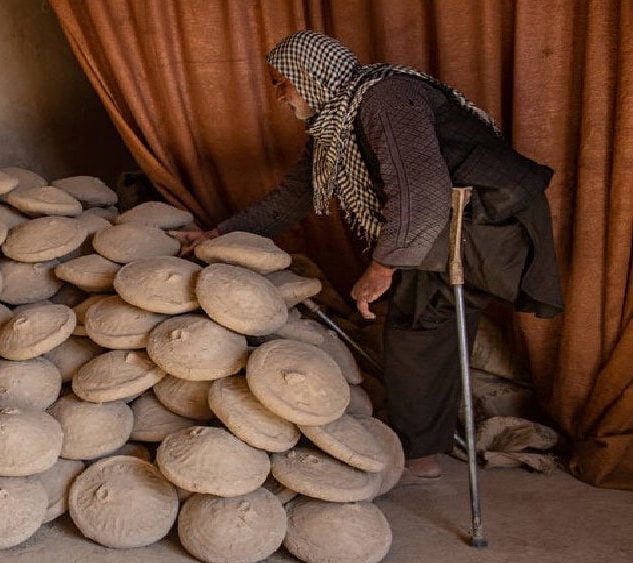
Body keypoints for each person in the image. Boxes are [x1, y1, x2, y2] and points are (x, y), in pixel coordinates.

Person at [173, 31, 563, 478]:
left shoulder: (387, 99)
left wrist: (382, 268)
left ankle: (418, 455)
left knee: (418, 328)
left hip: (484, 218)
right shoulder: (334, 127)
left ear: (312, 74)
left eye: (283, 81)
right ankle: (422, 444)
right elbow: (292, 198)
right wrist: (218, 232)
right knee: (421, 328)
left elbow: (421, 191)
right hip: (443, 221)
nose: (279, 94)